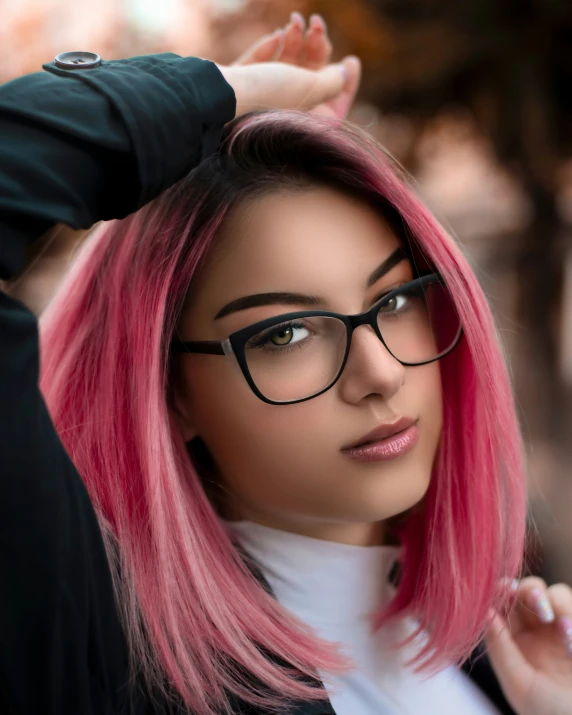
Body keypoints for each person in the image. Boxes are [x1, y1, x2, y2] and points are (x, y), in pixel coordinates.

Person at [1, 12, 572, 715]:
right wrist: (204, 99)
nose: (381, 373)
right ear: (169, 391)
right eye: (287, 334)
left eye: (395, 300)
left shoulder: (503, 652)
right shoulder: (107, 658)